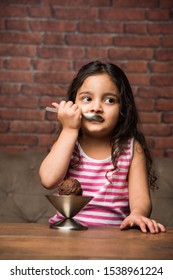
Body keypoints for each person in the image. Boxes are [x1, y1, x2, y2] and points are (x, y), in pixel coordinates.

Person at [39, 60, 165, 234]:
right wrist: (68, 130)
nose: (96, 108)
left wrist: (137, 214)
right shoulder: (68, 143)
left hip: (114, 237)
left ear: (122, 110)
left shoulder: (131, 149)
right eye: (87, 99)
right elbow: (48, 180)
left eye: (109, 100)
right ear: (73, 105)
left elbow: (140, 198)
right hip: (67, 234)